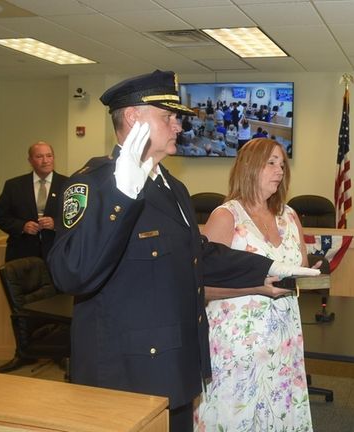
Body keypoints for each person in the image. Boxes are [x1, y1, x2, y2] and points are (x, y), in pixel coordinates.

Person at [46, 70, 317, 432]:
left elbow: (199, 256)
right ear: (133, 118)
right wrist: (122, 196)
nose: (178, 126)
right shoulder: (93, 184)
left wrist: (270, 268)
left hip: (176, 364)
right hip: (125, 372)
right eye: (168, 117)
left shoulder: (172, 187)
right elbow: (71, 274)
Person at [194, 138, 314, 431]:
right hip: (237, 346)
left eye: (282, 164)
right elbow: (200, 286)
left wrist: (311, 273)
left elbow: (302, 267)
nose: (279, 170)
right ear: (249, 167)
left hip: (283, 342)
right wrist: (256, 288)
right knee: (236, 417)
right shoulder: (227, 217)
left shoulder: (289, 215)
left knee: (279, 415)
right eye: (271, 163)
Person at [0, 141, 68, 262]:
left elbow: (78, 218)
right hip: (22, 253)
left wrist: (56, 223)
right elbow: (1, 217)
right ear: (30, 160)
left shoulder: (67, 184)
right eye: (39, 157)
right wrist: (22, 226)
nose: (45, 161)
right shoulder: (14, 186)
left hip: (57, 252)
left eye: (49, 156)